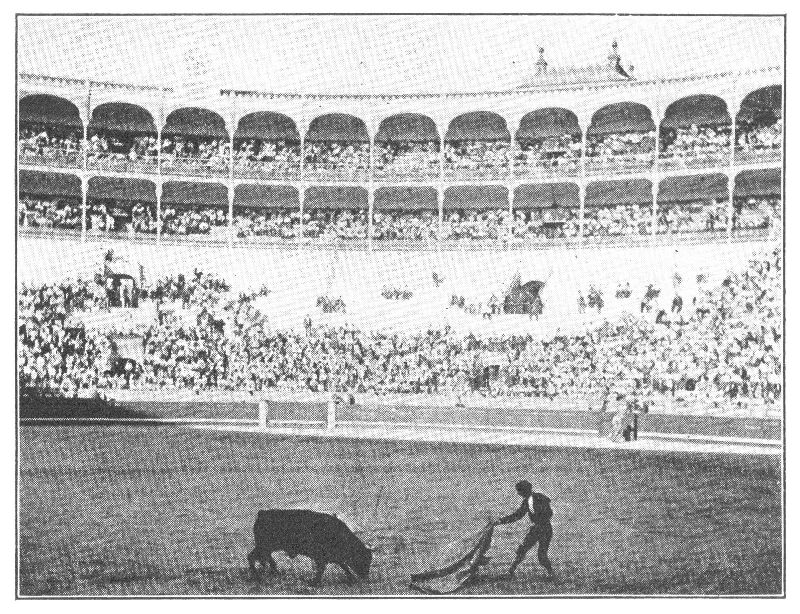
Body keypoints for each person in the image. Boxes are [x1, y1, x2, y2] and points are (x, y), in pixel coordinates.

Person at [492, 480, 554, 580]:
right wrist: (500, 521)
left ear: (523, 491)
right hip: (538, 528)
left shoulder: (539, 498)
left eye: (519, 491)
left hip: (544, 529)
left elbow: (549, 513)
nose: (518, 493)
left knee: (541, 555)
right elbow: (518, 515)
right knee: (522, 549)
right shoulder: (527, 501)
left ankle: (551, 573)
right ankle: (510, 572)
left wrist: (540, 522)